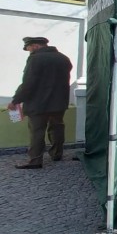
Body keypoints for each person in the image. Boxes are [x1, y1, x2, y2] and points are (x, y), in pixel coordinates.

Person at [7, 37, 73, 169]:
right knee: (57, 128)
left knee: (37, 131)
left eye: (29, 48)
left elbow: (28, 83)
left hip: (38, 104)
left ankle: (35, 160)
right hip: (59, 103)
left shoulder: (35, 59)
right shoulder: (63, 58)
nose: (29, 51)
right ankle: (57, 154)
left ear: (35, 46)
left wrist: (16, 100)